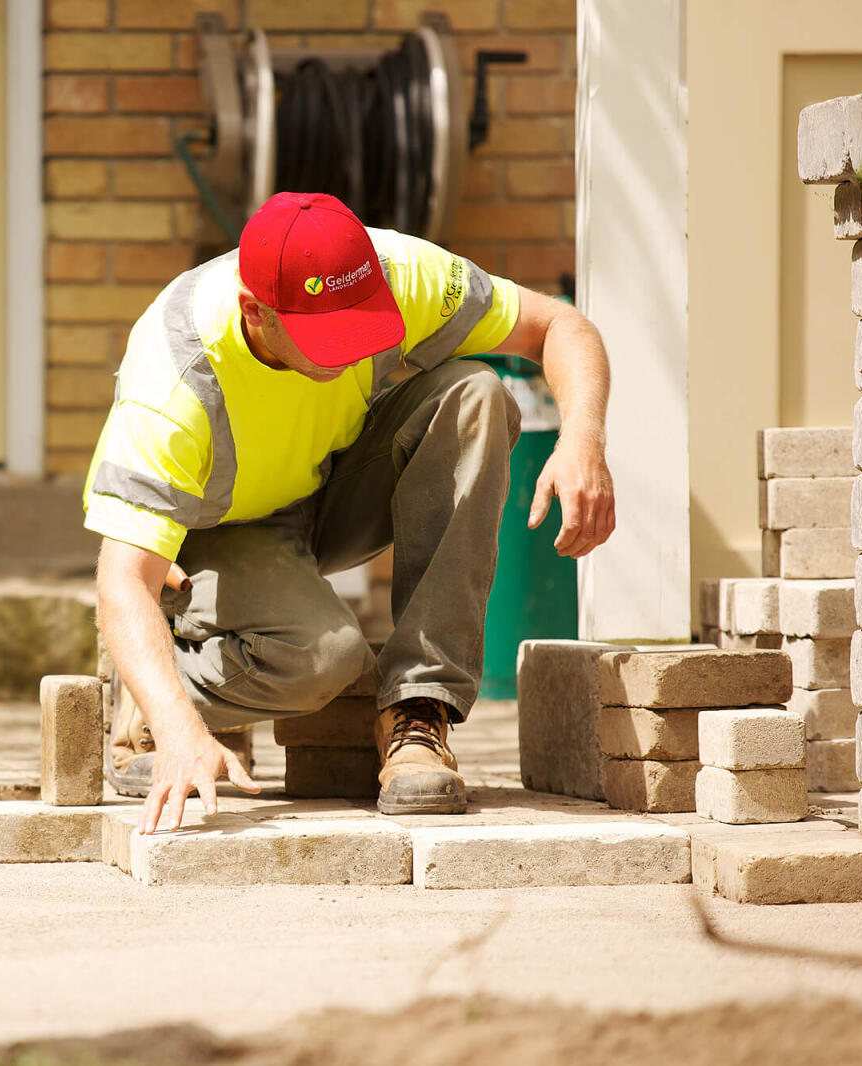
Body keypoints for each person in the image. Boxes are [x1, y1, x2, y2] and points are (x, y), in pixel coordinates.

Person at [83, 192, 615, 834]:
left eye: (359, 327)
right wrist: (177, 725)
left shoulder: (398, 274)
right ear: (257, 312)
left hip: (329, 482)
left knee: (477, 395)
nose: (350, 352)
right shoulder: (175, 376)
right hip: (217, 529)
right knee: (322, 661)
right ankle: (149, 697)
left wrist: (582, 440)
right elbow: (121, 582)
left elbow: (559, 324)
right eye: (326, 337)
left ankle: (421, 712)